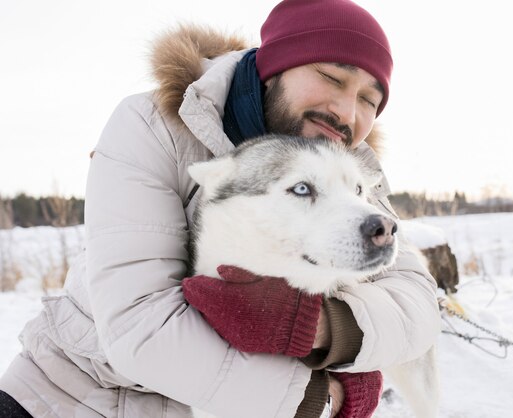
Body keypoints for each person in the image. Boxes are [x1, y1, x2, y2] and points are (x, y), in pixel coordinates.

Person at [0, 0, 441, 417]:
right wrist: (315, 399)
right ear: (275, 69)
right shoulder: (153, 126)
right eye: (333, 77)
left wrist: (321, 328)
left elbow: (415, 305)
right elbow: (142, 329)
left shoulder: (351, 164)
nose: (347, 112)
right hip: (72, 398)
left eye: (370, 99)